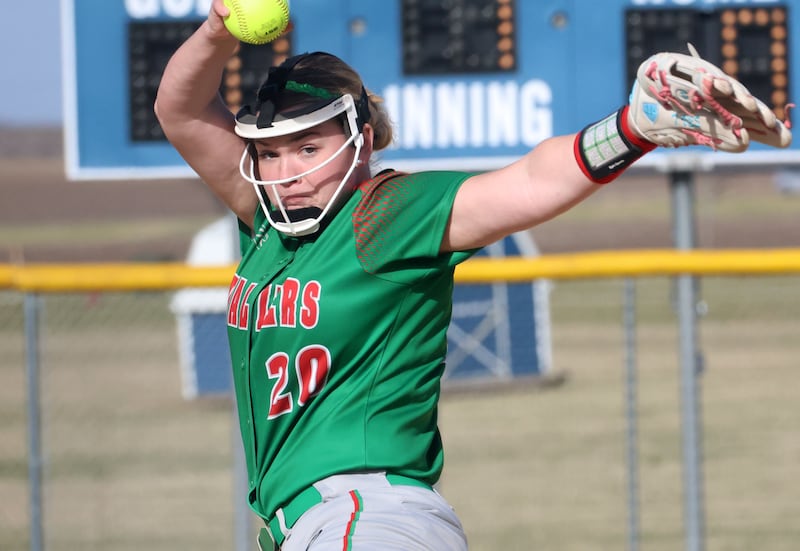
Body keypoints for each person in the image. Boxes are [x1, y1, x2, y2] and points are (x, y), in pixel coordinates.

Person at [155, 3, 791, 549]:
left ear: (361, 143)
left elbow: (528, 183)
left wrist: (631, 129)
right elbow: (178, 108)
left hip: (364, 516)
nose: (287, 170)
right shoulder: (265, 223)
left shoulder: (383, 213)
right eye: (269, 153)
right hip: (322, 525)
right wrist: (218, 26)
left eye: (308, 147)